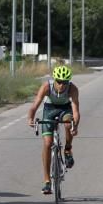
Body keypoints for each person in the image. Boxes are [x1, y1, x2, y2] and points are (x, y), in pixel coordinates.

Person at [27, 64, 80, 194]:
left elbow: (76, 111)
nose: (62, 85)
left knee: (68, 123)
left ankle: (67, 149)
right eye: (59, 81)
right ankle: (46, 181)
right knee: (47, 143)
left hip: (65, 109)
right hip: (49, 109)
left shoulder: (72, 89)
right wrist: (30, 119)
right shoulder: (46, 86)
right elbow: (35, 105)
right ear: (54, 79)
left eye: (65, 82)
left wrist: (75, 126)